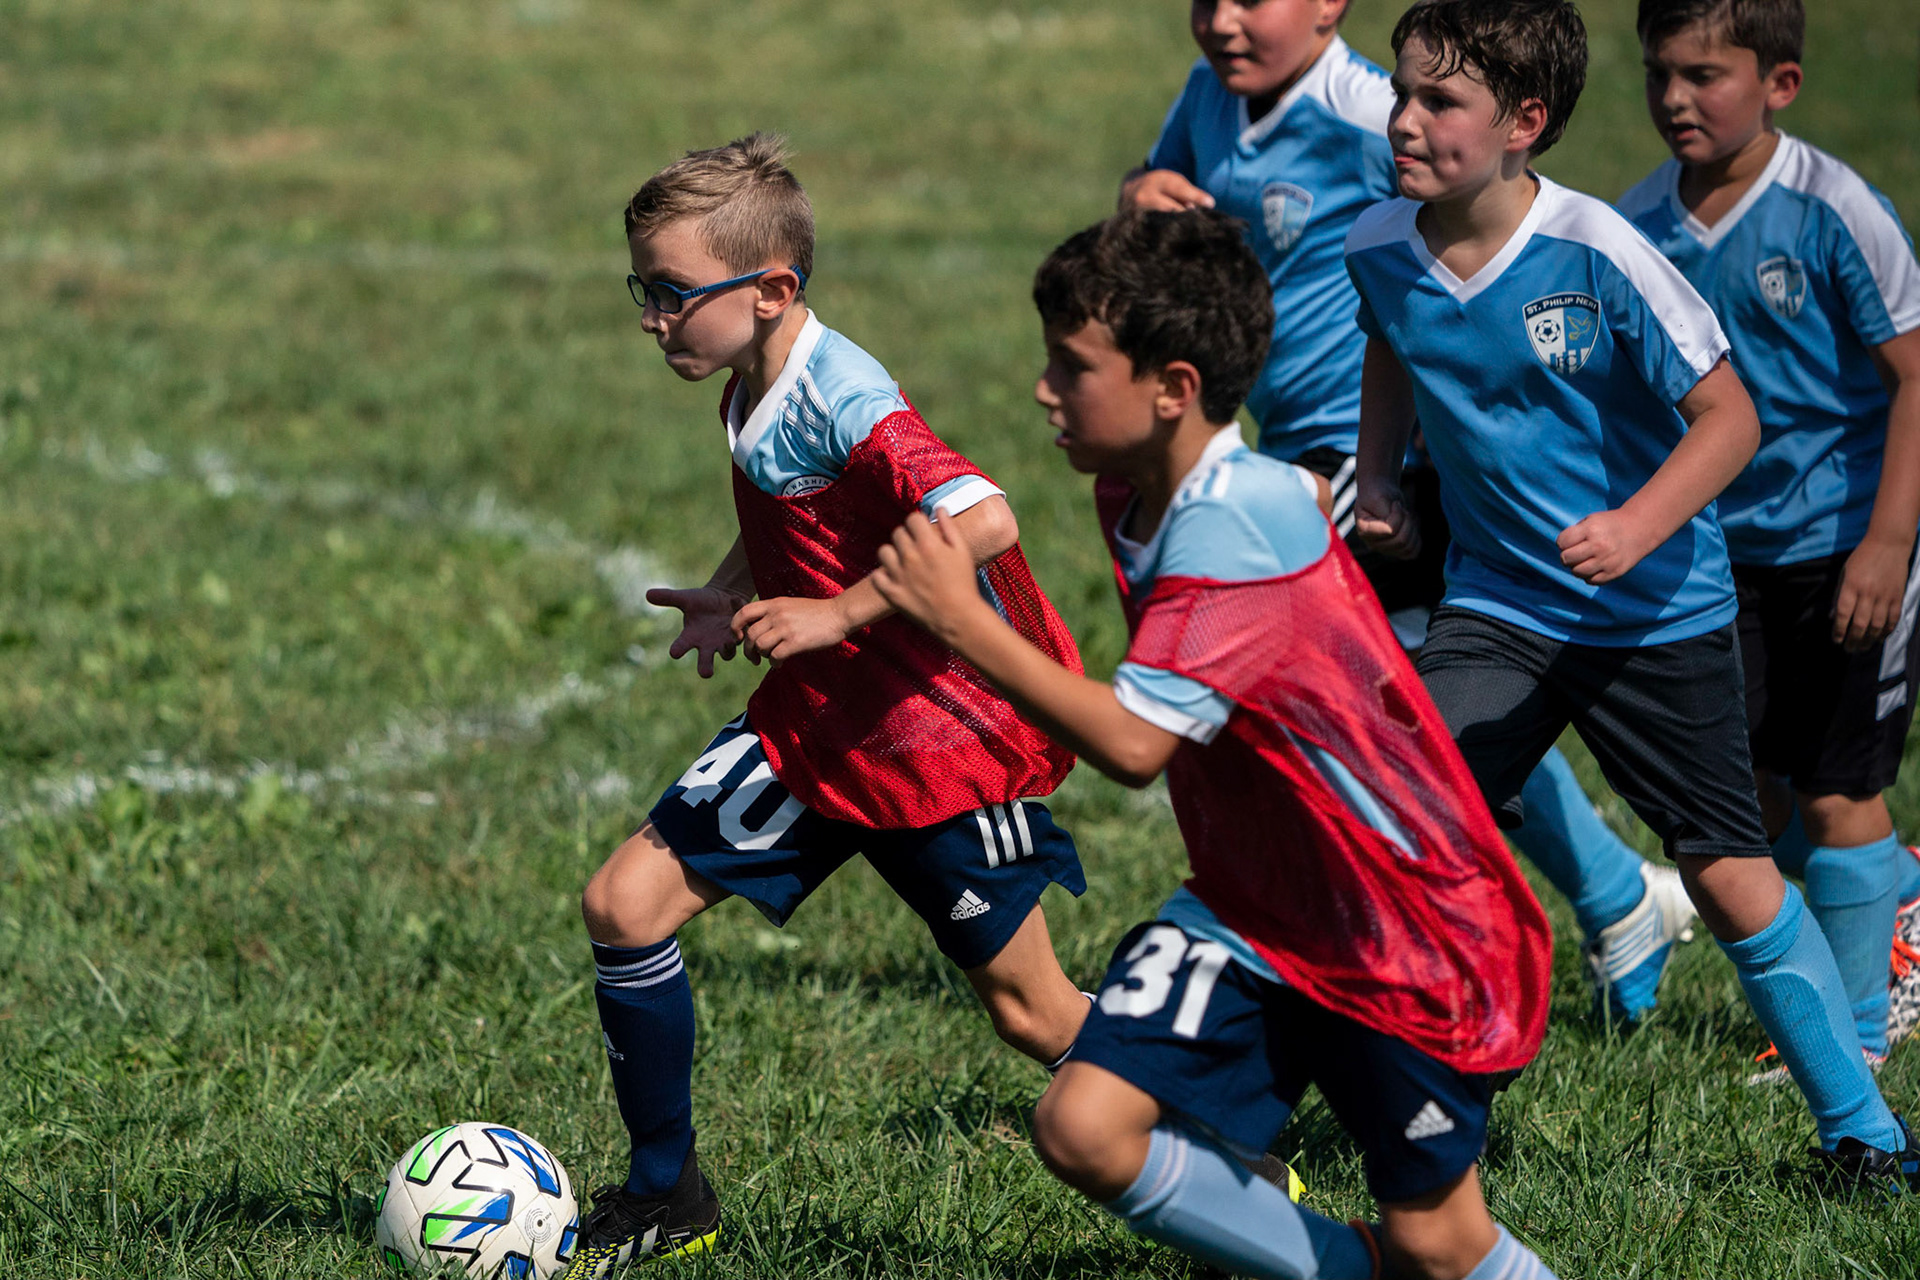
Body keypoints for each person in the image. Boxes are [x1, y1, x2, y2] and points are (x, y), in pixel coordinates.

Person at [874, 205, 1559, 1280]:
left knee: (1441, 1239)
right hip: (1255, 903)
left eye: (1072, 364)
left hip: (1394, 913)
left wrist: (961, 621)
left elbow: (1139, 744)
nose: (1044, 389)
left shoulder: (1235, 518)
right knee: (1085, 1124)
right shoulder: (1135, 486)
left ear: (1174, 387)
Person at [1345, 0, 1916, 1186]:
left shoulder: (1601, 251)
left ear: (1526, 124)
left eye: (1439, 101)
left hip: (1659, 611)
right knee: (1410, 813)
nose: (1405, 118)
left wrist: (1634, 526)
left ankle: (1864, 1133)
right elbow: (1388, 342)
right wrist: (1387, 473)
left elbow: (1732, 418)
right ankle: (1432, 1090)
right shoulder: (1377, 244)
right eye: (1402, 92)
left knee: (1727, 865)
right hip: (1500, 603)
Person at [560, 133, 1095, 1276]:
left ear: (771, 292)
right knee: (625, 900)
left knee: (1034, 1015)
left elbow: (985, 516)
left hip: (928, 739)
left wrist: (837, 613)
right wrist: (737, 588)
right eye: (641, 289)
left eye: (670, 294)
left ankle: (1236, 1159)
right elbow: (801, 504)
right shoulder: (756, 376)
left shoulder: (841, 388)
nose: (652, 318)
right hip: (816, 727)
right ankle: (666, 1190)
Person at [1122, 0, 1695, 1022]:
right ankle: (1611, 892)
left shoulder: (1365, 109)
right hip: (1288, 437)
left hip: (1371, 452)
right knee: (1405, 685)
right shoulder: (1213, 94)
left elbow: (1441, 261)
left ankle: (1374, 956)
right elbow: (1168, 186)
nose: (1222, 20)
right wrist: (1142, 195)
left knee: (1371, 695)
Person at [1618, 0, 1920, 1072]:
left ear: (1779, 84)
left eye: (1706, 75)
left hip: (1843, 545)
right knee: (1743, 792)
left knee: (1840, 790)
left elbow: (1915, 376)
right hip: (1711, 559)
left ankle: (1857, 1038)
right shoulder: (1636, 223)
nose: (1674, 98)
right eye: (1660, 73)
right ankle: (1897, 888)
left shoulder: (1834, 209)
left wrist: (1888, 541)